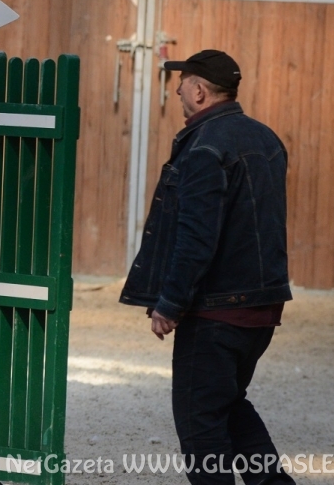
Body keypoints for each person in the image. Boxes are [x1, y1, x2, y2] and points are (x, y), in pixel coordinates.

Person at [120, 50, 294, 485]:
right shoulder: (267, 139)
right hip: (262, 307)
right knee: (229, 406)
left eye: (182, 82)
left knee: (201, 426)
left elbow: (197, 236)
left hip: (216, 311)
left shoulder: (204, 147)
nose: (178, 90)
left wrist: (171, 302)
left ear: (199, 91)